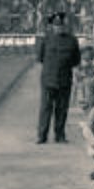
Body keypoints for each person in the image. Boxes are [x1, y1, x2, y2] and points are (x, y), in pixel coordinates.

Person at [36, 10, 81, 143]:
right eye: (56, 25)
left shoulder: (72, 41)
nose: (59, 28)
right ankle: (42, 135)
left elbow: (76, 60)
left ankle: (59, 135)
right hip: (48, 80)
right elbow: (40, 58)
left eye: (61, 25)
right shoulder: (46, 39)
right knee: (46, 108)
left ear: (65, 26)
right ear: (53, 26)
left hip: (64, 80)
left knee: (62, 109)